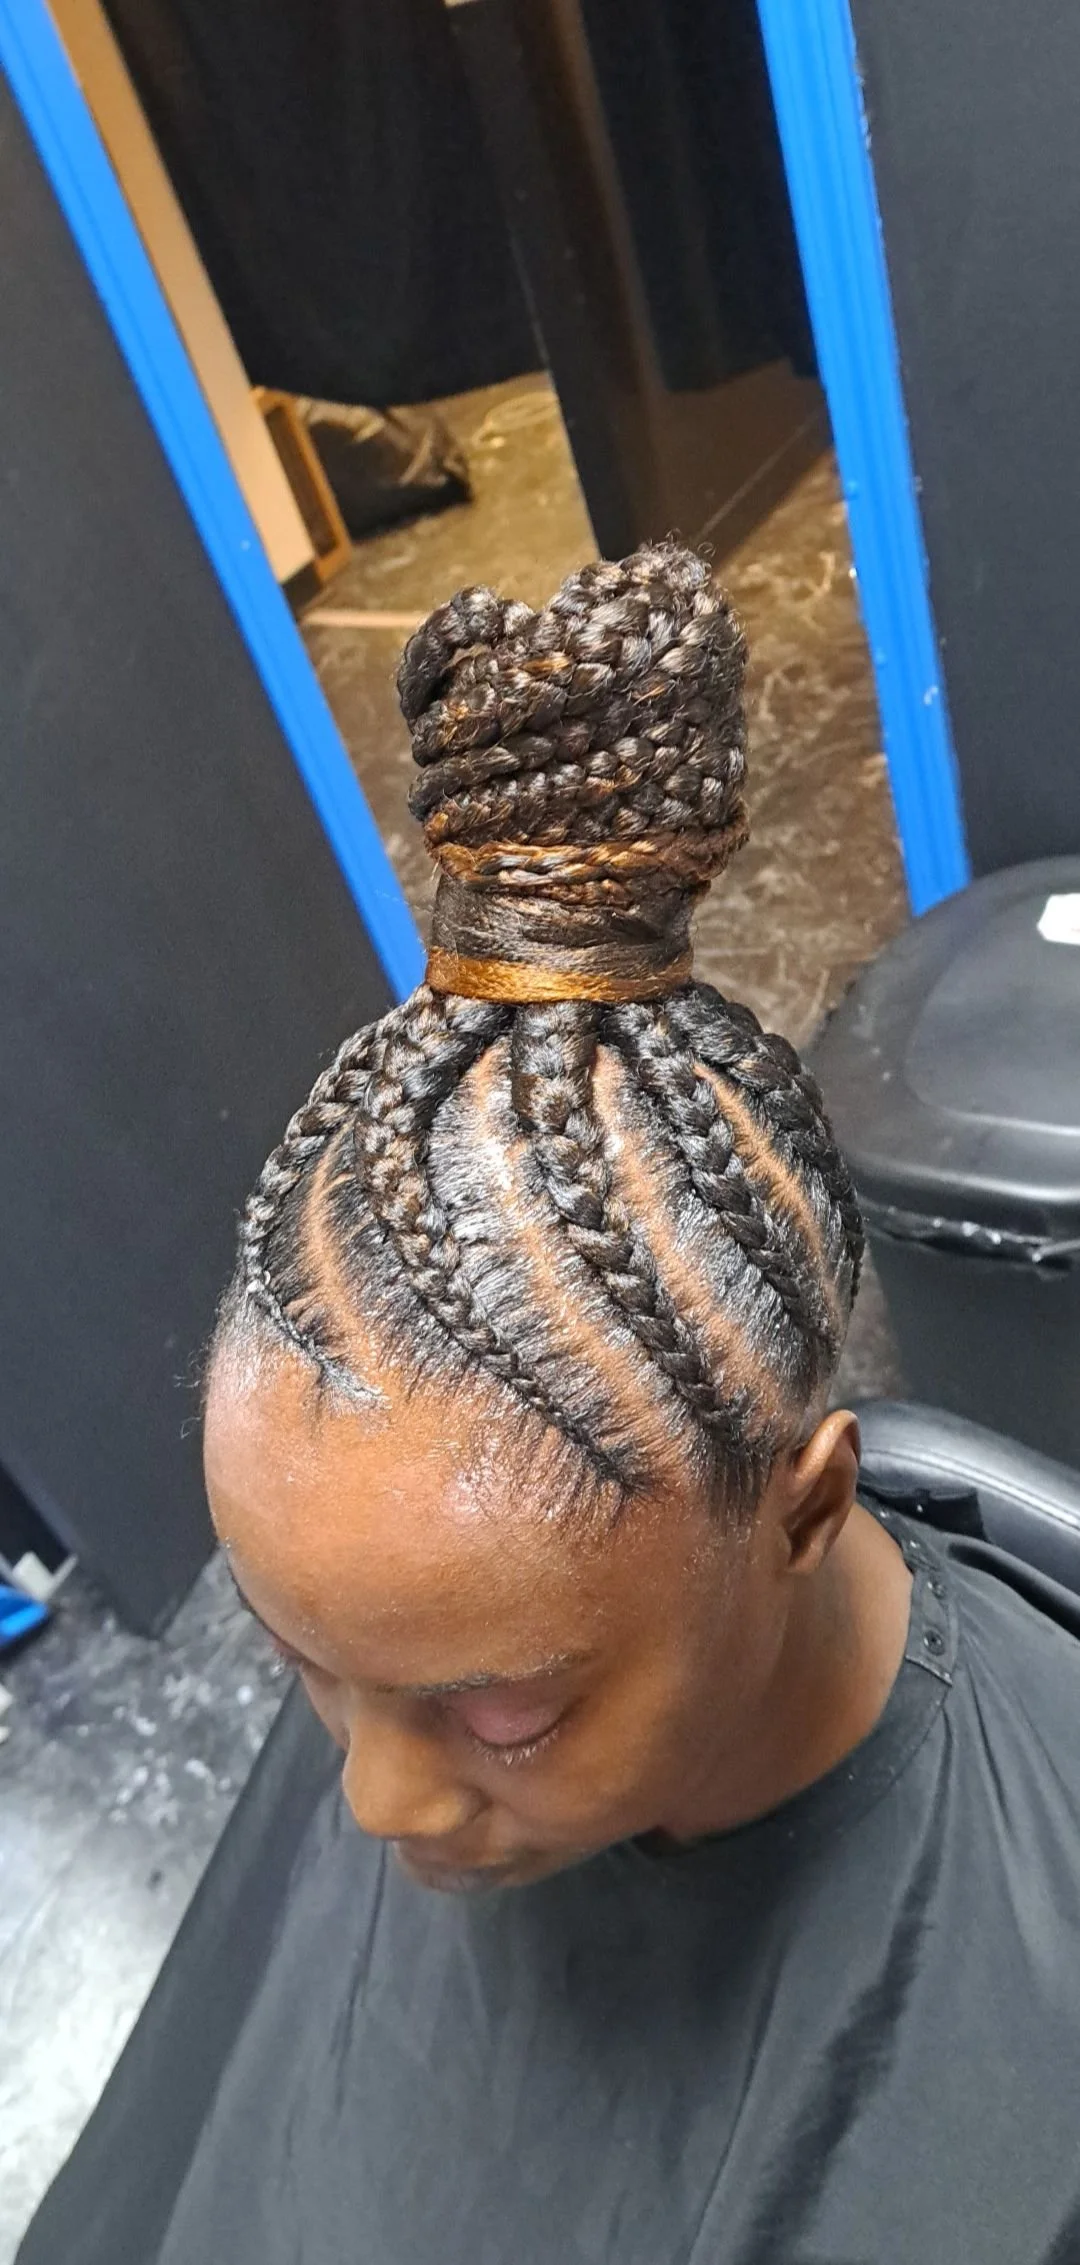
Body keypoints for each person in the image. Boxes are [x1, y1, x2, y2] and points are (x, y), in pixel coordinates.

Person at [21, 546, 1080, 2264]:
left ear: (809, 1506)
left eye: (502, 1721)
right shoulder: (437, 1663)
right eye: (299, 1665)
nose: (372, 1806)